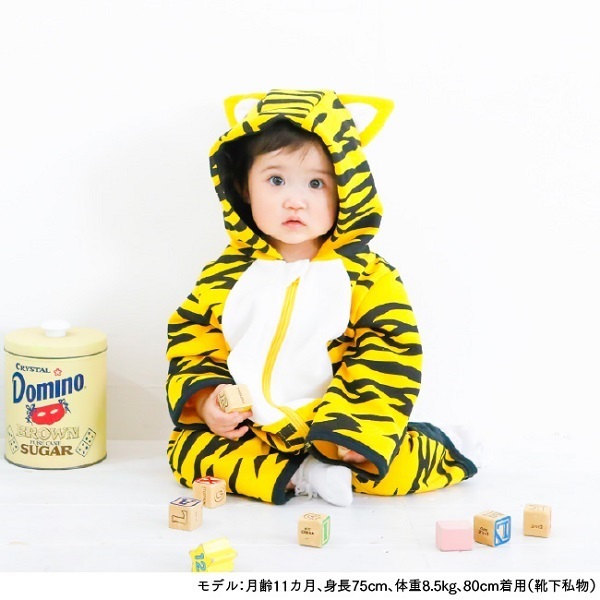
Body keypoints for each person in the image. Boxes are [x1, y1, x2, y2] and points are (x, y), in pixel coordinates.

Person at [166, 89, 478, 507]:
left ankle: (446, 446)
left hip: (334, 424)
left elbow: (390, 350)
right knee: (188, 454)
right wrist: (206, 401)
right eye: (276, 180)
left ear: (346, 190)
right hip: (252, 427)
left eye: (316, 183)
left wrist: (356, 427)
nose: (295, 201)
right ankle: (306, 476)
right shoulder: (225, 274)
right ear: (243, 187)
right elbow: (193, 339)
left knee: (388, 469)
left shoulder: (366, 276)